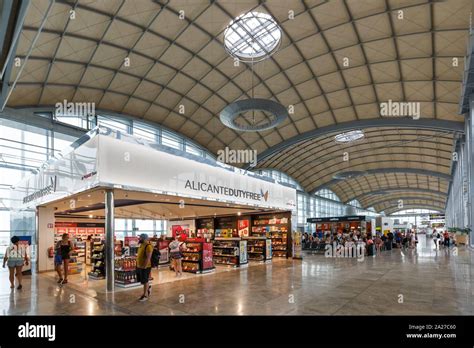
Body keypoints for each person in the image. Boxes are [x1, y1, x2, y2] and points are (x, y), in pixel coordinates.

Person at [136, 234, 153, 302]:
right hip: (139, 266)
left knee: (145, 281)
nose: (139, 239)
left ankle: (145, 295)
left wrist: (145, 266)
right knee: (143, 281)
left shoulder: (148, 246)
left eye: (140, 238)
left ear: (144, 238)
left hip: (145, 267)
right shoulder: (141, 245)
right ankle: (148, 288)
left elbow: (148, 257)